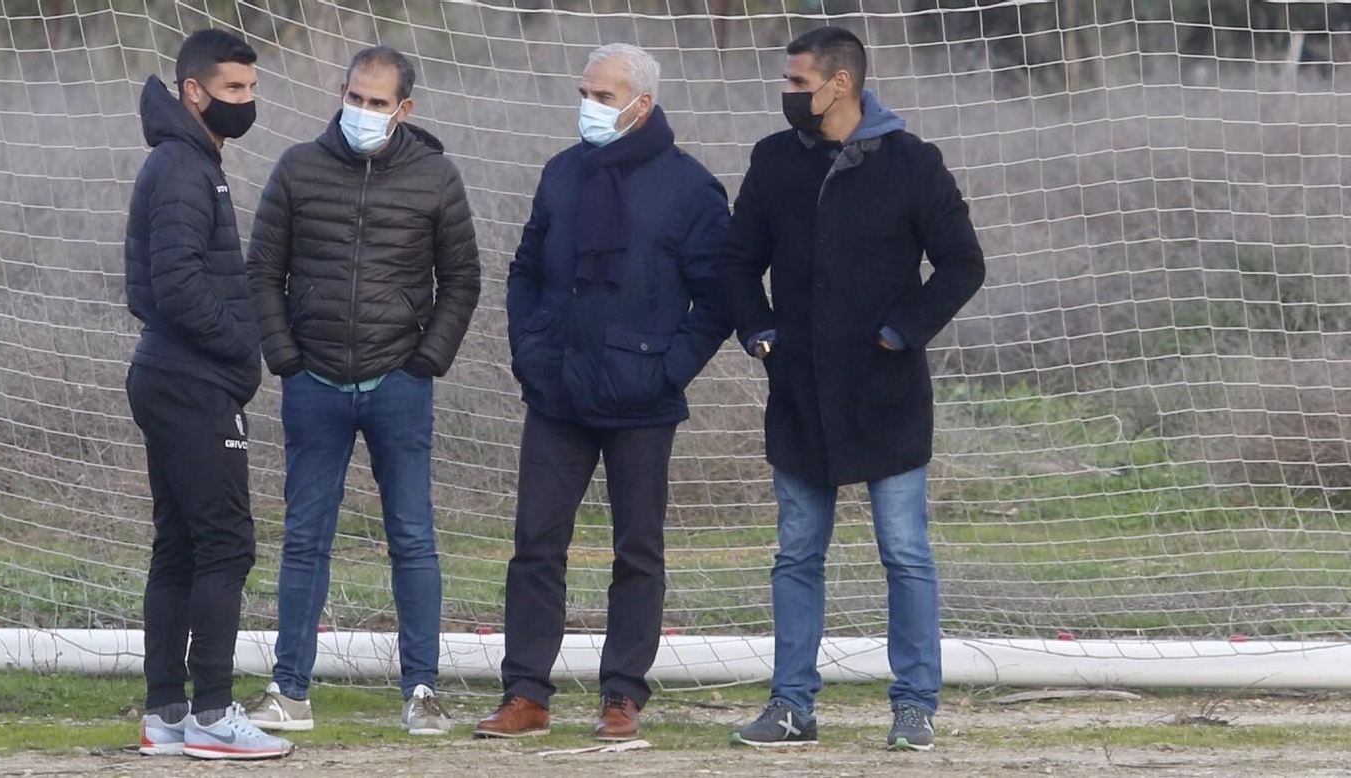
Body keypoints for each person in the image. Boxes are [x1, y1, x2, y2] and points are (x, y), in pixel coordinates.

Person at [719, 27, 986, 752]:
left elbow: (963, 264)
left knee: (905, 552)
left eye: (798, 84)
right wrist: (760, 334)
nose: (788, 96)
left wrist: (900, 333)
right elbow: (738, 264)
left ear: (841, 85)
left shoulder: (912, 163)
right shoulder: (774, 162)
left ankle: (914, 704)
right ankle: (792, 706)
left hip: (887, 395)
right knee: (797, 552)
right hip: (798, 394)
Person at [472, 43, 731, 742]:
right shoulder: (562, 173)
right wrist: (531, 351)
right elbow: (525, 270)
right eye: (585, 92)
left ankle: (622, 695)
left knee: (637, 551)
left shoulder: (691, 189)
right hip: (556, 394)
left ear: (641, 105)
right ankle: (526, 694)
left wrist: (666, 369)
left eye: (604, 96)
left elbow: (718, 300)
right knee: (535, 546)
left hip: (642, 401)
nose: (589, 105)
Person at [246, 45, 481, 736]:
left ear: (404, 109)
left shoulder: (436, 177)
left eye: (378, 103)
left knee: (412, 538)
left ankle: (422, 691)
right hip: (313, 383)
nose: (364, 112)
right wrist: (284, 357)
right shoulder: (298, 167)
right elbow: (262, 269)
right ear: (339, 92)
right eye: (355, 97)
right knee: (303, 539)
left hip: (398, 384)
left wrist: (427, 361)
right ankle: (290, 690)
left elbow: (462, 279)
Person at [123, 28, 289, 760]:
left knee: (182, 546)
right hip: (189, 382)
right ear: (195, 92)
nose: (245, 103)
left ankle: (165, 715)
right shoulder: (185, 168)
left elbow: (148, 286)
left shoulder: (187, 160)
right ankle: (214, 717)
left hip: (169, 376)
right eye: (232, 91)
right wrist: (239, 348)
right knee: (226, 543)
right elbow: (174, 287)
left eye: (251, 90)